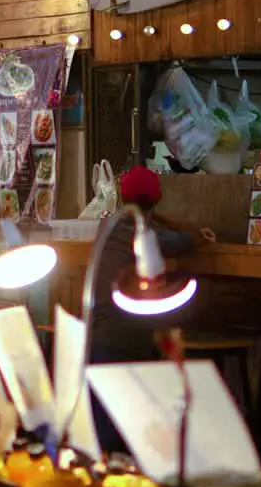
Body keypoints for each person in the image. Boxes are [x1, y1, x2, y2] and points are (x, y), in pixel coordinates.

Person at [87, 165, 216, 453]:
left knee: (103, 434)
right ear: (158, 198)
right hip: (124, 340)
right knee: (120, 432)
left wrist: (155, 215)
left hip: (96, 338)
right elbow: (194, 238)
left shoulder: (109, 225)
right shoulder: (148, 237)